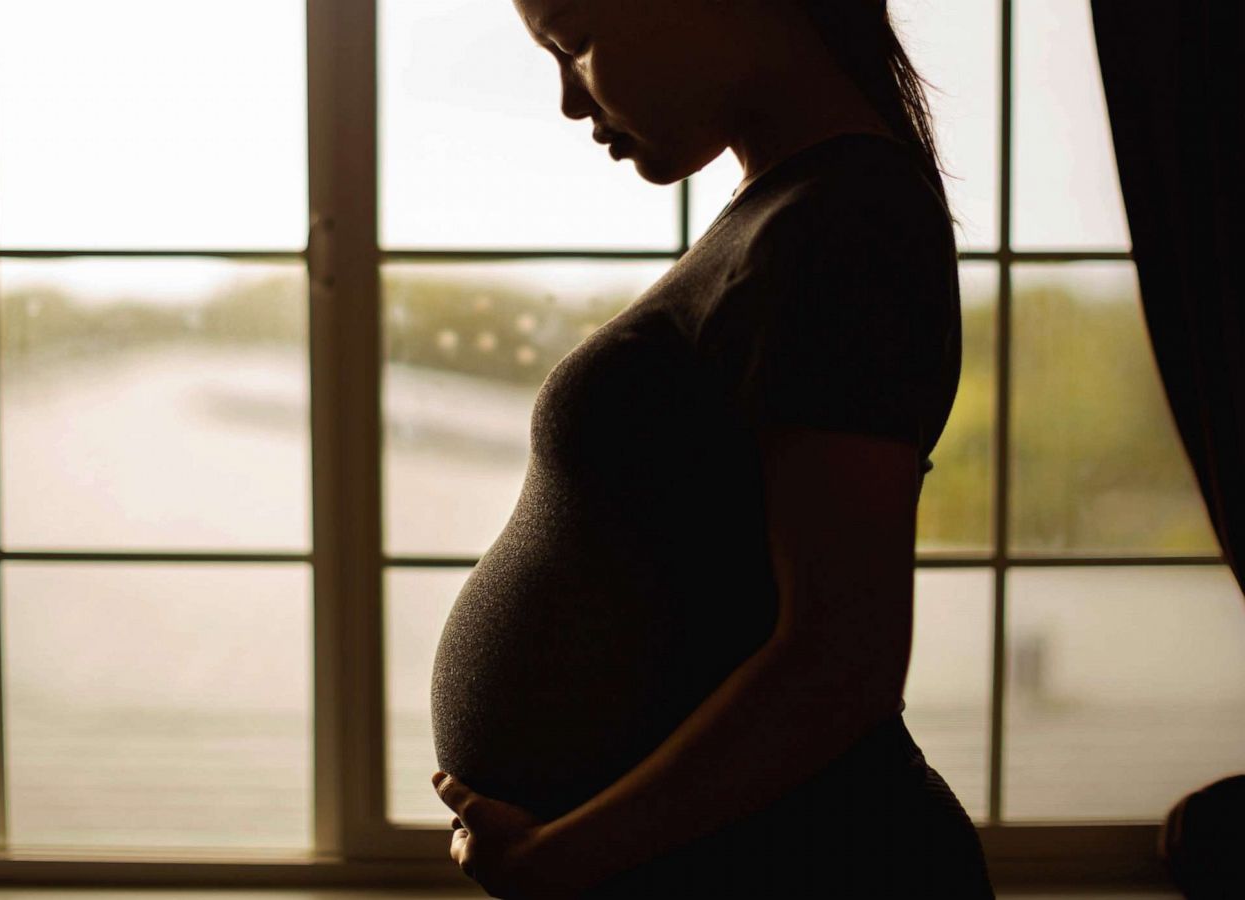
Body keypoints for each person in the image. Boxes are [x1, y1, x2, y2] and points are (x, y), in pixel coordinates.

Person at [426, 0, 996, 897]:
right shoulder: (787, 207)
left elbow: (840, 660)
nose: (572, 103)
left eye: (575, 47)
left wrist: (555, 859)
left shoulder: (849, 223)